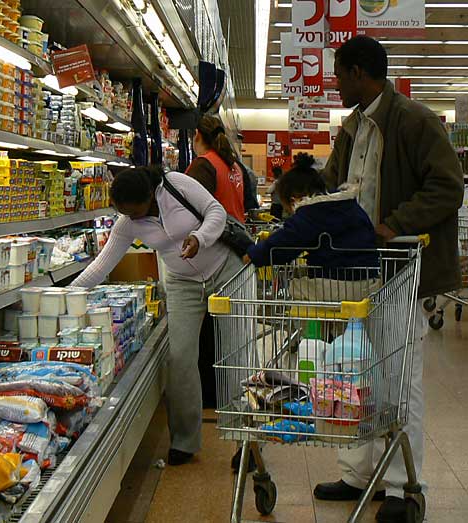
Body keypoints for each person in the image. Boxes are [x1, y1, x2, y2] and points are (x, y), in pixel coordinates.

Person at [316, 35, 464, 523]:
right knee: (362, 374)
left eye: (339, 74)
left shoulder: (414, 121)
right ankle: (361, 475)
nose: (335, 83)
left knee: (402, 379)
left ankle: (404, 487)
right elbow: (338, 188)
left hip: (402, 270)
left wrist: (396, 222)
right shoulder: (353, 128)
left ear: (360, 72)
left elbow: (448, 187)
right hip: (357, 272)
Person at [70, 165, 243, 466]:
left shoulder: (175, 185)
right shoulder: (127, 223)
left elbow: (215, 212)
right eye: (123, 211)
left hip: (226, 271)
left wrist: (199, 238)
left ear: (149, 196)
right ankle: (185, 441)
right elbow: (102, 265)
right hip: (182, 283)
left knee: (237, 354)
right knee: (180, 357)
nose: (130, 217)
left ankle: (247, 442)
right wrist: (65, 293)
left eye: (133, 211)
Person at [245, 153, 378, 272]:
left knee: (295, 287)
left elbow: (286, 242)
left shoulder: (312, 212)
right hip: (365, 276)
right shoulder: (346, 204)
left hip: (339, 281)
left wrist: (253, 255)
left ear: (294, 199)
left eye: (289, 208)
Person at [185, 115, 246, 222]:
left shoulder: (203, 165)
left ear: (197, 135)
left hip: (215, 234)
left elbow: (190, 208)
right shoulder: (234, 165)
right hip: (235, 232)